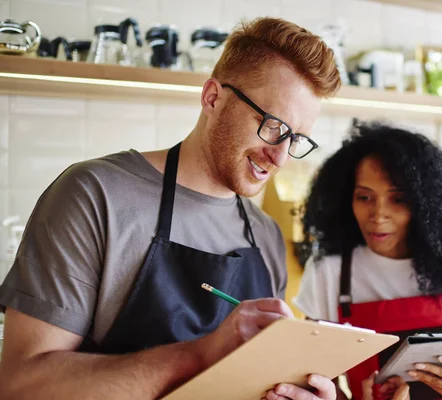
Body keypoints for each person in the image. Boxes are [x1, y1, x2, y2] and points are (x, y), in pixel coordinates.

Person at [0, 17, 341, 400]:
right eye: (273, 125)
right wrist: (199, 355)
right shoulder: (95, 195)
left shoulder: (265, 235)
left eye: (296, 138)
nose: (279, 156)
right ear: (213, 97)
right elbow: (21, 385)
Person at [294, 122, 442, 400]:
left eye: (397, 199)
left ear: (424, 205)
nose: (378, 214)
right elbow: (318, 386)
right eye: (364, 197)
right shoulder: (330, 274)